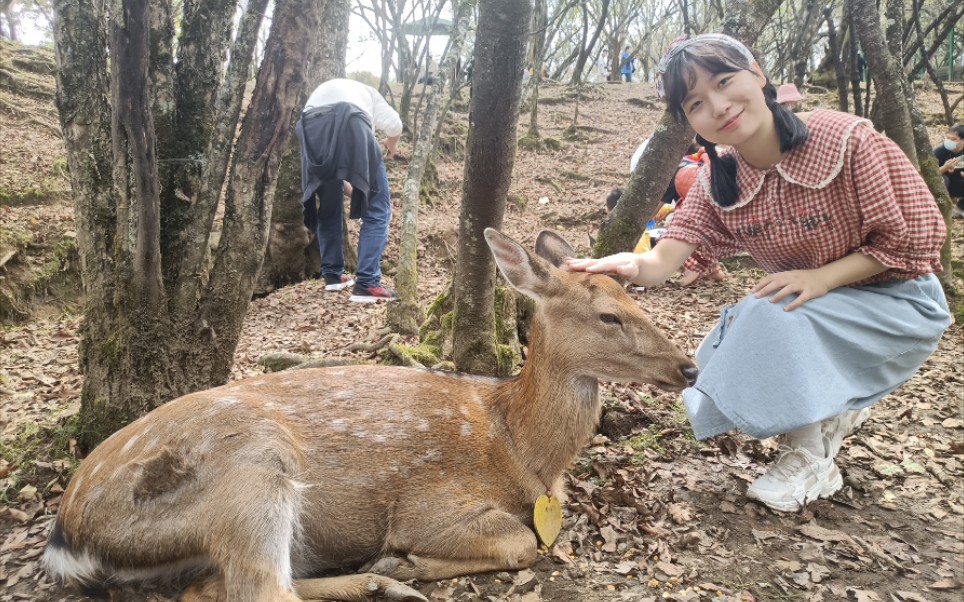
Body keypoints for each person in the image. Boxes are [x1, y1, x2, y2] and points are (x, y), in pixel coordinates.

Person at [569, 33, 949, 513]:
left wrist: (822, 277)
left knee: (770, 312)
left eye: (726, 81)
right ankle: (827, 422)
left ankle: (809, 457)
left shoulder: (844, 138)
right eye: (696, 103)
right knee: (753, 322)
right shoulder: (716, 179)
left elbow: (915, 238)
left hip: (899, 300)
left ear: (759, 74)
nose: (720, 106)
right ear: (689, 121)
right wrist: (628, 264)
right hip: (813, 311)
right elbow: (663, 261)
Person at [297, 78, 402, 303]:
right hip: (351, 118)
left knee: (328, 203)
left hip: (310, 127)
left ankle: (333, 275)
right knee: (379, 207)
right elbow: (395, 125)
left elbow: (333, 173)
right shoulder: (369, 93)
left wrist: (354, 190)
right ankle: (367, 283)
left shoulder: (337, 89)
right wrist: (392, 145)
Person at [934, 123, 964, 218]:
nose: (949, 141)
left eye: (954, 139)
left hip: (959, 182)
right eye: (948, 138)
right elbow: (927, 174)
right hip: (944, 184)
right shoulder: (939, 151)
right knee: (943, 179)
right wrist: (944, 168)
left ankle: (960, 209)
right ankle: (938, 210)